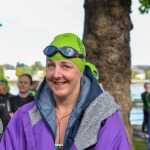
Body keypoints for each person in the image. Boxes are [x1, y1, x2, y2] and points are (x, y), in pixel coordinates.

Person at [0, 33, 130, 149]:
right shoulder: (24, 116)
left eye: (66, 66)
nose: (56, 74)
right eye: (51, 65)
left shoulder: (105, 119)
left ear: (80, 71)